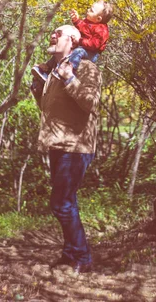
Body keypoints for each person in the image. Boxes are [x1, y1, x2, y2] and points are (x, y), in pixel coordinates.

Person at [31, 24, 102, 274]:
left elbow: (89, 102)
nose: (52, 35)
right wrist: (37, 87)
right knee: (66, 201)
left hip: (75, 145)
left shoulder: (86, 68)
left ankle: (82, 256)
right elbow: (49, 109)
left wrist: (69, 76)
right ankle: (71, 253)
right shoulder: (53, 71)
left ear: (73, 40)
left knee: (61, 203)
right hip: (58, 143)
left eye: (58, 33)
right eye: (52, 31)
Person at [32, 0, 112, 81]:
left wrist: (79, 41)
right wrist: (76, 20)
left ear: (98, 18)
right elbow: (81, 28)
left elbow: (94, 44)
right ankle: (46, 69)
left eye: (91, 10)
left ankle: (70, 69)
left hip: (91, 53)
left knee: (78, 51)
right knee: (62, 52)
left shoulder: (102, 30)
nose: (88, 10)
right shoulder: (89, 22)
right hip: (83, 46)